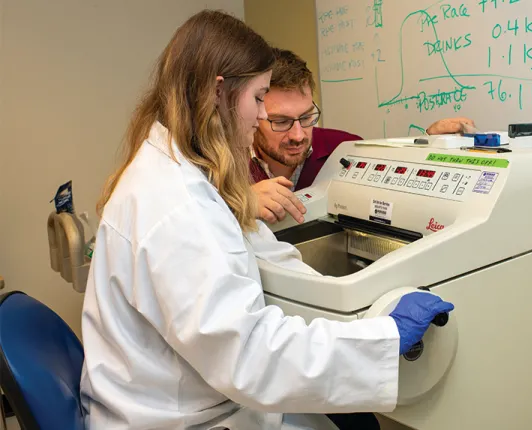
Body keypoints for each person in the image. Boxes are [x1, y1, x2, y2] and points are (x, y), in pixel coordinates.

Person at [80, 10, 454, 430]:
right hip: (183, 417)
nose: (262, 117)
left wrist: (347, 301)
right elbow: (250, 356)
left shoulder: (178, 168)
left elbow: (260, 248)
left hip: (196, 395)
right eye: (259, 99)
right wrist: (381, 338)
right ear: (219, 93)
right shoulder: (177, 205)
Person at [250, 48, 476, 224]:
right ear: (253, 114)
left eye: (307, 117)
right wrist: (239, 204)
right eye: (281, 122)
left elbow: (389, 178)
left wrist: (428, 143)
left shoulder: (343, 147)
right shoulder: (222, 165)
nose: (298, 135)